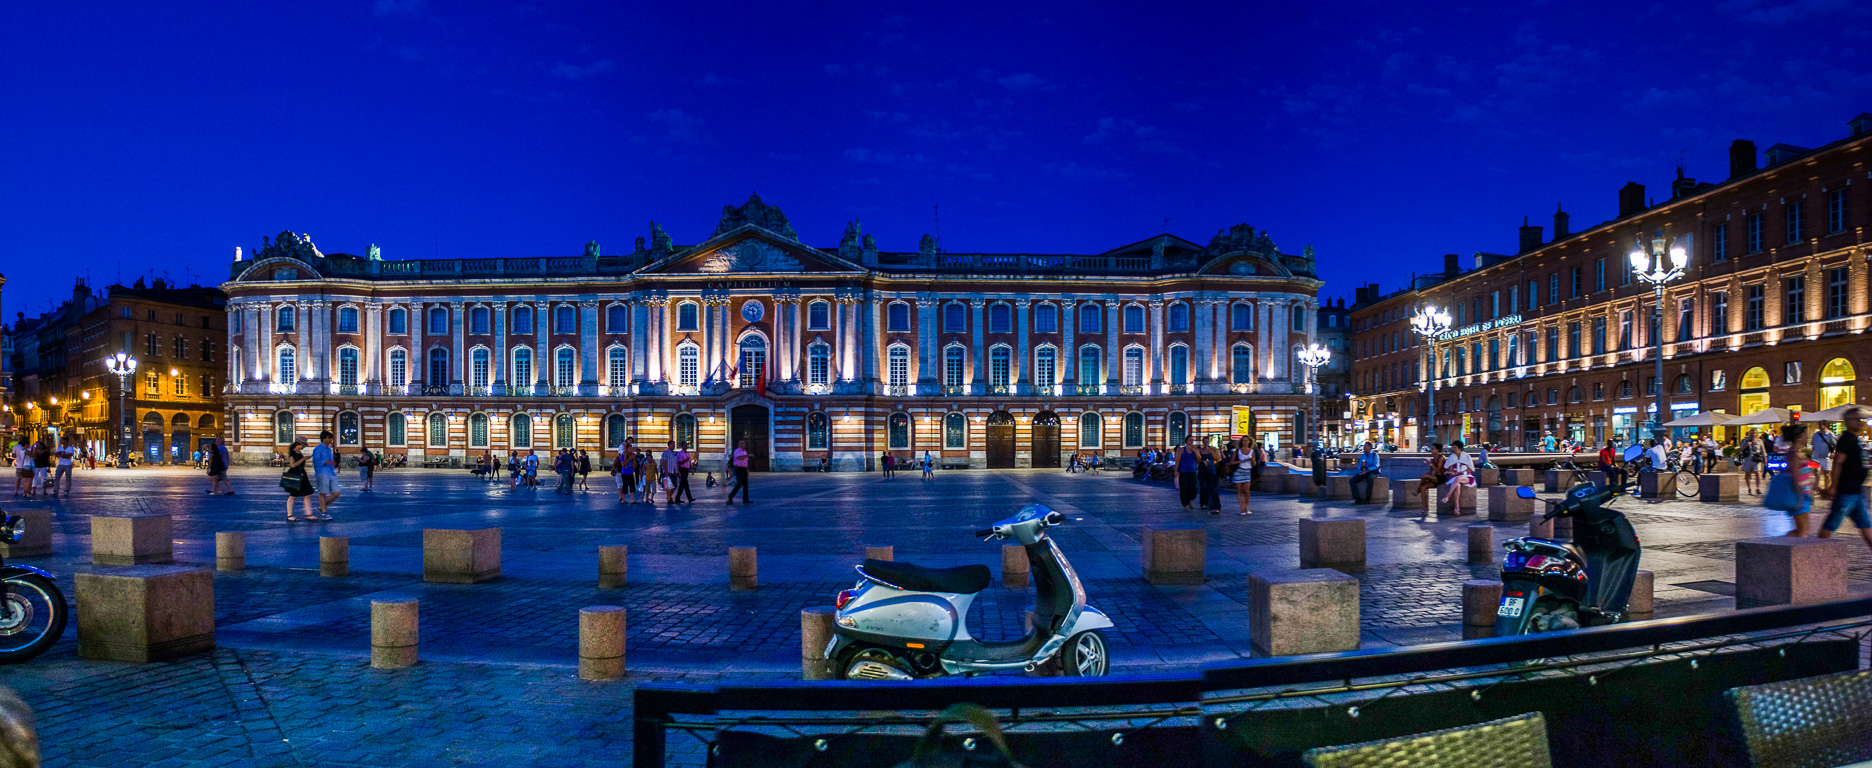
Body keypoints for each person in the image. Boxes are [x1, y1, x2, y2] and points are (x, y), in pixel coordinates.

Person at [1819, 407, 1871, 549]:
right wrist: (1833, 486)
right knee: (1831, 524)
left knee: (1866, 525)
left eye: (1860, 419)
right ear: (1847, 421)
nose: (1859, 422)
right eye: (1856, 419)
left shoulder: (1855, 439)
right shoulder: (1847, 439)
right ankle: (1814, 551)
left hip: (1856, 492)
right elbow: (1838, 462)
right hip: (1846, 491)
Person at [1777, 424, 1820, 538]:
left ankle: (1781, 547)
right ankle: (1780, 547)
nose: (1807, 437)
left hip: (1803, 495)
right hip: (1799, 495)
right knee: (1802, 531)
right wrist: (1799, 498)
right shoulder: (1794, 455)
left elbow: (1802, 476)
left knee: (1803, 530)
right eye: (1805, 435)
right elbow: (1795, 478)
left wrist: (1813, 488)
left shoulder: (1797, 453)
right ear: (1798, 437)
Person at [282, 438, 317, 521]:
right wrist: (303, 459)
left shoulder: (299, 452)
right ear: (299, 444)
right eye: (303, 445)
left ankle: (308, 514)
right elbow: (293, 465)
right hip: (294, 474)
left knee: (308, 493)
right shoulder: (292, 453)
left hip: (302, 474)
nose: (304, 447)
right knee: (293, 495)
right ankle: (289, 515)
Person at [311, 430, 340, 520]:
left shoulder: (329, 449)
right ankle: (324, 513)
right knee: (322, 493)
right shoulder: (317, 449)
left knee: (336, 492)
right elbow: (315, 462)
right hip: (322, 473)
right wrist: (326, 461)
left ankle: (322, 506)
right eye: (329, 438)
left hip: (331, 473)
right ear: (324, 439)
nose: (331, 439)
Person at [1418, 444, 1446, 519]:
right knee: (1423, 488)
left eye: (1433, 448)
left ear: (1437, 450)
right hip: (1435, 478)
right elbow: (1430, 472)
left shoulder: (1441, 458)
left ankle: (1417, 491)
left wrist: (1430, 463)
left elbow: (1438, 470)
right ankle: (1425, 508)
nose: (1431, 450)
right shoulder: (1434, 459)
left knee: (1424, 476)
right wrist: (1428, 474)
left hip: (1441, 477)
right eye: (1431, 448)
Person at [1173, 436, 1201, 510]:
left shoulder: (1195, 449)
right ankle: (1185, 504)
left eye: (1192, 440)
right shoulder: (1182, 449)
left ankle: (1189, 500)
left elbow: (1199, 458)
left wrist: (1196, 452)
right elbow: (1178, 460)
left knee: (1193, 488)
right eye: (1190, 440)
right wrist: (1176, 470)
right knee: (1184, 488)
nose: (1191, 441)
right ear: (1186, 441)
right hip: (1183, 470)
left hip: (1193, 470)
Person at [1232, 439, 1257, 516]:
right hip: (1238, 471)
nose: (1245, 442)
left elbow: (1254, 464)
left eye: (1246, 440)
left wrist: (1252, 461)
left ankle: (1246, 507)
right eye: (1243, 440)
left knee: (1247, 491)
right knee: (1239, 491)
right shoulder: (1237, 451)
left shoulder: (1252, 451)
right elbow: (1232, 462)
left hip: (1247, 471)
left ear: (1249, 442)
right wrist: (1243, 460)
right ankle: (1242, 509)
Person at [727, 438, 752, 504]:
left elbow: (745, 461)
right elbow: (739, 457)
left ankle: (745, 499)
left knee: (745, 485)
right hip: (738, 469)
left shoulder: (745, 451)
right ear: (738, 444)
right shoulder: (737, 451)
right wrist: (747, 455)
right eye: (741, 443)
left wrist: (747, 469)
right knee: (739, 484)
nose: (742, 444)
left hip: (744, 469)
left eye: (743, 443)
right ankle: (731, 495)